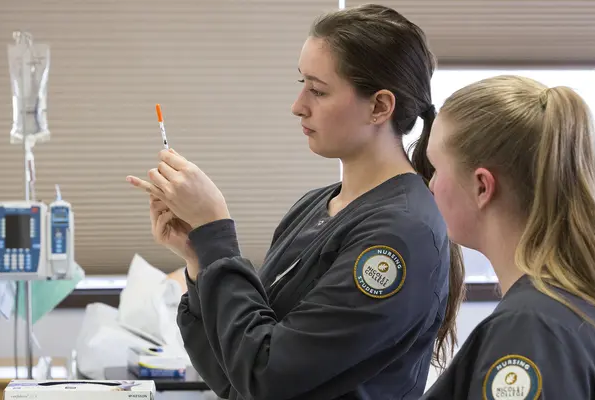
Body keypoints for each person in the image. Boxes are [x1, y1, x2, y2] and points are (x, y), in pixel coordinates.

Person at [126, 4, 466, 399]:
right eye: (301, 83)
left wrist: (216, 233)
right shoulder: (314, 207)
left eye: (318, 90)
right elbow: (235, 373)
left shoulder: (401, 235)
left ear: (379, 107)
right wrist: (199, 260)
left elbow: (268, 377)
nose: (298, 105)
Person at [420, 75, 595, 399]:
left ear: (482, 187)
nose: (430, 185)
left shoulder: (531, 328)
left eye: (435, 168)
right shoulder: (570, 312)